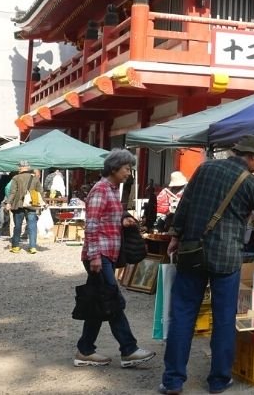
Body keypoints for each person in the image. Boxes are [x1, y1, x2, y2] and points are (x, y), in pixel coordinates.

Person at [160, 135, 254, 395]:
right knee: (224, 318)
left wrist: (175, 235)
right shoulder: (251, 183)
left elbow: (185, 204)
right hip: (226, 256)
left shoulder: (204, 169)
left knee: (182, 315)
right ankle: (218, 380)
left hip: (192, 251)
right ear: (251, 157)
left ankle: (173, 380)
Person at [75, 149, 156, 369]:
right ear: (114, 168)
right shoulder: (101, 190)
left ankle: (85, 350)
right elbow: (91, 225)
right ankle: (129, 350)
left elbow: (104, 220)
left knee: (100, 301)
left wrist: (122, 221)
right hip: (99, 255)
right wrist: (94, 256)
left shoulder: (111, 190)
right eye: (127, 168)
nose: (129, 173)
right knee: (113, 301)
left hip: (105, 254)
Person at [3, 160, 43, 254]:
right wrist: (43, 202)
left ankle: (16, 246)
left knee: (18, 226)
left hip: (18, 205)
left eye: (19, 167)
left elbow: (12, 192)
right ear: (28, 167)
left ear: (20, 168)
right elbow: (40, 191)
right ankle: (32, 247)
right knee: (32, 226)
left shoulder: (16, 178)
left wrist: (8, 203)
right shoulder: (35, 178)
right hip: (31, 204)